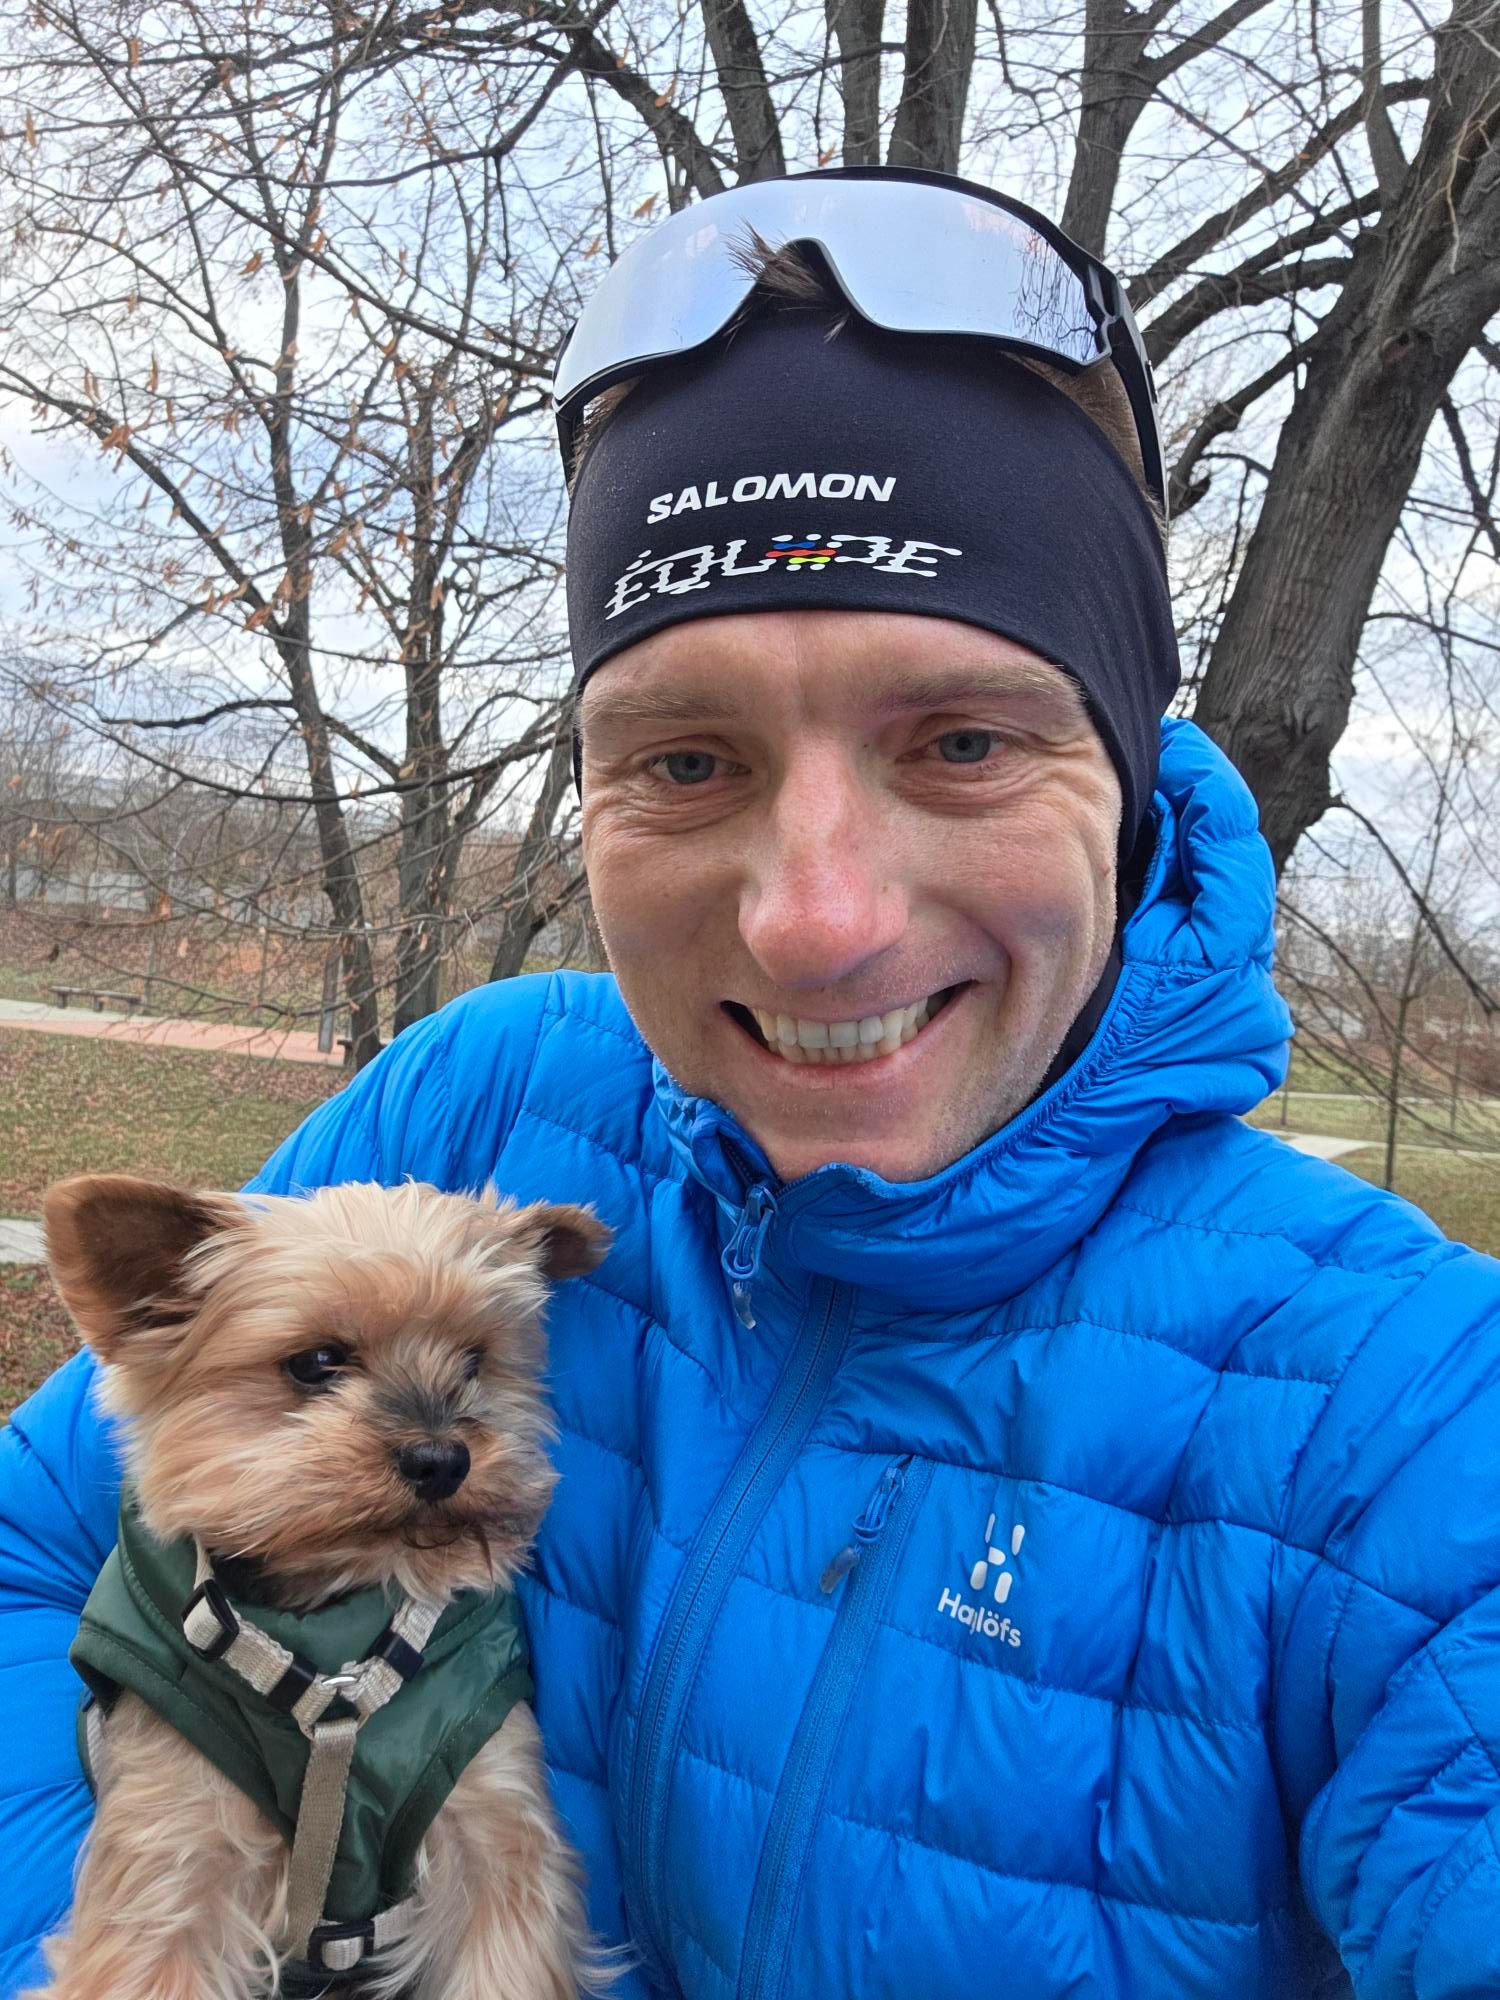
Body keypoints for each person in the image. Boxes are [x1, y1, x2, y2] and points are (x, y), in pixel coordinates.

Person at [4, 164, 1500, 2000]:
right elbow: (31, 1554)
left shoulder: (1402, 1410)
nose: (814, 924)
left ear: (1128, 775)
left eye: (963, 741)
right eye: (687, 761)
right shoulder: (481, 1104)